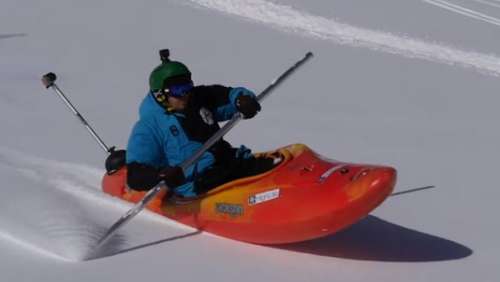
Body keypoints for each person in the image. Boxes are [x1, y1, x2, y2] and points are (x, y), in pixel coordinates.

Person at [125, 52, 275, 197]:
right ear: (160, 94)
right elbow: (135, 174)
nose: (185, 94)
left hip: (228, 163)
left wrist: (242, 100)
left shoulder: (197, 99)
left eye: (188, 87)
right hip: (199, 183)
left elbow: (229, 95)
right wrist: (160, 175)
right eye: (178, 90)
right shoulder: (149, 126)